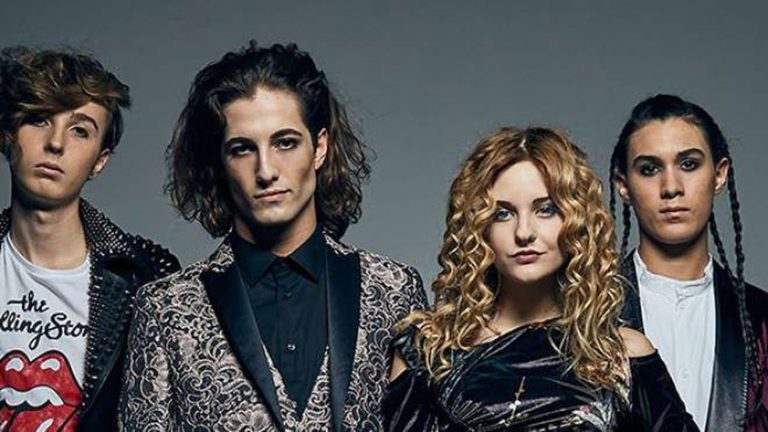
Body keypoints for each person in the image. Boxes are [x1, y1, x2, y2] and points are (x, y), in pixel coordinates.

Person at [118, 41, 428, 431]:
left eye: (285, 143)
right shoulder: (166, 308)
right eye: (242, 149)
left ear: (319, 147)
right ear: (220, 162)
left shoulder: (394, 289)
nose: (266, 171)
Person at [384, 127, 698, 431]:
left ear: (577, 221)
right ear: (478, 228)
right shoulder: (429, 349)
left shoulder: (621, 354)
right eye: (502, 214)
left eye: (545, 209)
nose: (524, 232)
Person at [0, 46, 179, 432]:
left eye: (79, 130)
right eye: (39, 119)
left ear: (100, 160)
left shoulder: (144, 278)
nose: (56, 143)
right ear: (8, 134)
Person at [610, 94, 768, 431]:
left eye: (689, 164)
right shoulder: (584, 314)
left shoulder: (762, 321)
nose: (671, 187)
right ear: (623, 186)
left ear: (719, 175)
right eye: (649, 169)